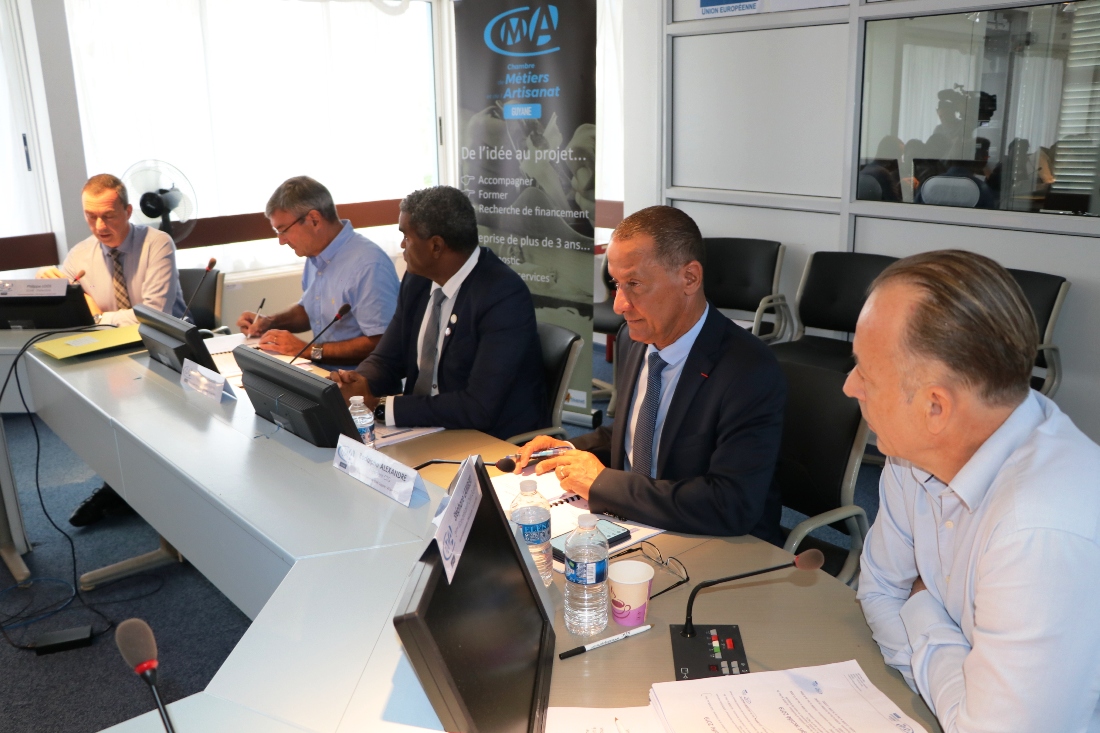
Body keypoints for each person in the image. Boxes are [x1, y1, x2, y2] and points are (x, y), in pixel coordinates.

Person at [849, 250, 1100, 731]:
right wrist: (957, 682)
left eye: (866, 373)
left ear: (935, 408)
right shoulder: (912, 455)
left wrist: (920, 606)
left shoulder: (1040, 530)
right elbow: (879, 591)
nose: (848, 386)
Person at [514, 206, 786, 542]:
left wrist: (603, 484)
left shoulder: (749, 370)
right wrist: (566, 451)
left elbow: (730, 504)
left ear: (690, 278)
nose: (619, 305)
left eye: (634, 284)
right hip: (638, 522)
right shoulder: (633, 339)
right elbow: (636, 432)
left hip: (716, 541)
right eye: (616, 284)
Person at [329, 185, 545, 441]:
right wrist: (355, 383)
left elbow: (478, 407)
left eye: (406, 237)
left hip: (489, 438)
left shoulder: (503, 295)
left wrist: (378, 405)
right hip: (425, 426)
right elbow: (387, 359)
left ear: (436, 246)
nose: (402, 245)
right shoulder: (417, 280)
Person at [38, 173, 186, 526]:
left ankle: (159, 489)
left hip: (166, 349)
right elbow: (70, 313)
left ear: (128, 211)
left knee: (143, 407)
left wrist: (95, 314)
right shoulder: (80, 254)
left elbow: (152, 315)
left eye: (108, 216)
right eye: (91, 217)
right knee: (92, 406)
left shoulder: (157, 244)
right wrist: (53, 292)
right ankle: (118, 484)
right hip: (111, 353)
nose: (100, 226)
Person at [237, 176, 399, 366]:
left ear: (314, 220)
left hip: (359, 381)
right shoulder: (316, 254)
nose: (281, 241)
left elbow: (383, 344)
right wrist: (270, 322)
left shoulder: (368, 265)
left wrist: (308, 350)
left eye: (283, 230)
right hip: (321, 372)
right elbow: (312, 311)